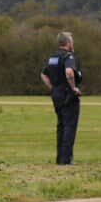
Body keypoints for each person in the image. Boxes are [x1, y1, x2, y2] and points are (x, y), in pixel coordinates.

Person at [41, 31, 82, 165]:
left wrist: (52, 88)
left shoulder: (52, 58)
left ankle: (60, 158)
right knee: (70, 126)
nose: (73, 43)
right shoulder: (68, 57)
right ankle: (66, 159)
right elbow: (69, 72)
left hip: (56, 95)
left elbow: (43, 75)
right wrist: (73, 87)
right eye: (72, 41)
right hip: (67, 94)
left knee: (61, 126)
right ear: (68, 43)